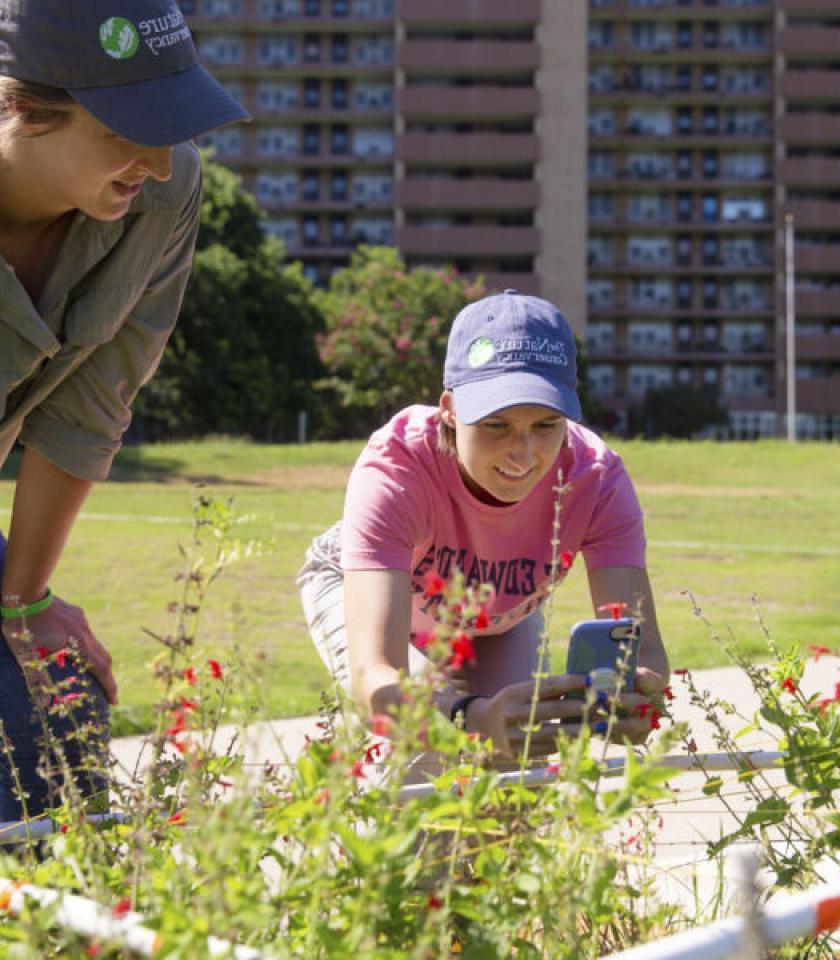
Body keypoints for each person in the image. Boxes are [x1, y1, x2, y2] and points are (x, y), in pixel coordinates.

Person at [0, 0, 249, 821]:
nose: (158, 158)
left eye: (170, 119)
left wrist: (24, 600)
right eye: (123, 130)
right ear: (21, 106)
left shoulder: (164, 191)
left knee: (56, 702)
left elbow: (92, 402)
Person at [299, 290, 669, 760]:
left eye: (546, 425)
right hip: (363, 587)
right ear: (450, 409)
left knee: (519, 764)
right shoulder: (396, 471)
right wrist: (469, 716)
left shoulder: (595, 480)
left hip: (497, 617)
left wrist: (638, 697)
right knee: (416, 760)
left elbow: (647, 653)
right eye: (497, 425)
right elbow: (376, 678)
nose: (525, 453)